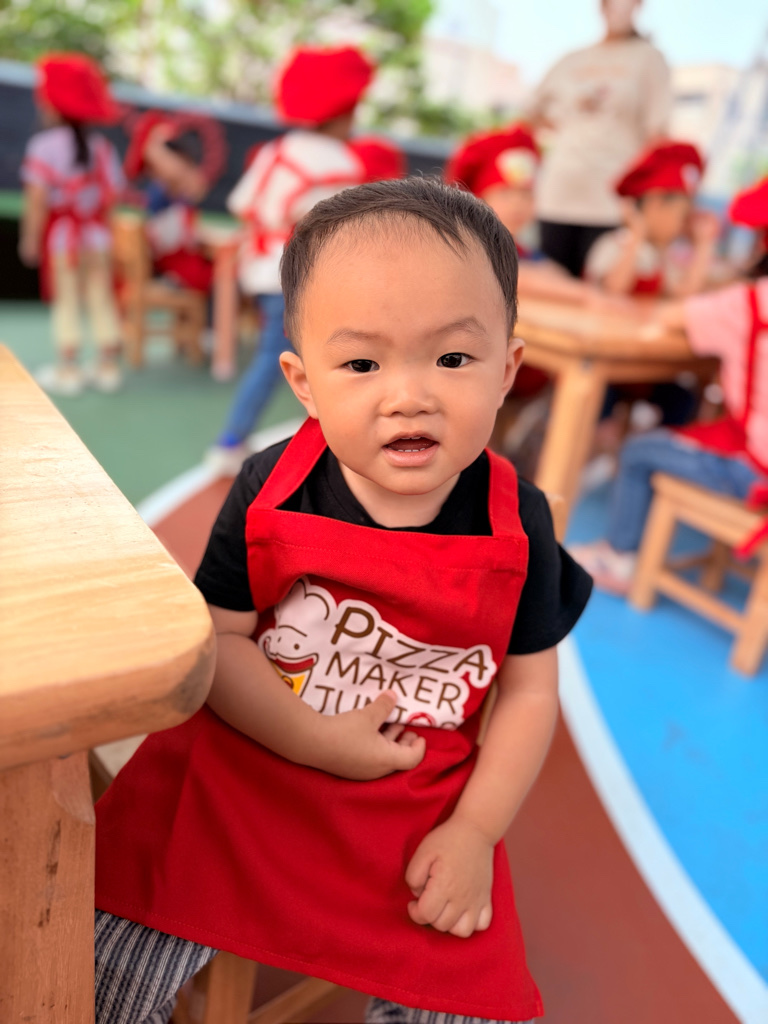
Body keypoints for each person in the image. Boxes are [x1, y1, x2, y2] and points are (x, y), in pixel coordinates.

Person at [93, 177, 593, 1024]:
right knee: (112, 941)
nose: (409, 395)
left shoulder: (521, 521)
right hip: (254, 758)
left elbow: (530, 691)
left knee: (465, 991)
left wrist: (475, 831)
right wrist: (314, 738)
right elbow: (218, 639)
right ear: (303, 382)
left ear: (508, 369)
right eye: (362, 364)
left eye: (453, 359)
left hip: (414, 791)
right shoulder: (271, 487)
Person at [571, 175, 768, 593]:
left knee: (639, 451)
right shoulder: (624, 247)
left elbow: (673, 314)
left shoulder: (749, 302)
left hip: (756, 470)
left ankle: (618, 557)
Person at [205, 44, 374, 476]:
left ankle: (246, 441)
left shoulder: (276, 149)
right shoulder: (340, 160)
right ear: (344, 111)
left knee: (291, 359)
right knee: (306, 361)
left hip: (262, 269)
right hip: (303, 274)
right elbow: (344, 231)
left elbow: (240, 202)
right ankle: (231, 441)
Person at [528, 0, 670, 277]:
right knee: (551, 283)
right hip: (558, 192)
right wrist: (567, 129)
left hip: (611, 202)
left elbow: (657, 136)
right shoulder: (571, 59)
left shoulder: (649, 59)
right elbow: (532, 112)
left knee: (598, 288)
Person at [19, 52, 125, 395]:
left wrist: (30, 239)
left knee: (66, 300)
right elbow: (113, 197)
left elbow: (36, 201)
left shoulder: (43, 146)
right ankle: (107, 367)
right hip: (98, 238)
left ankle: (69, 369)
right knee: (101, 297)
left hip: (64, 239)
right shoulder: (102, 147)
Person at [584, 140, 719, 298]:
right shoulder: (614, 243)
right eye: (681, 216)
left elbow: (683, 293)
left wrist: (704, 244)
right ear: (655, 204)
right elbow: (613, 290)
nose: (682, 226)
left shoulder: (659, 255)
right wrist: (636, 237)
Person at [122, 110, 227, 295]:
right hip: (172, 266)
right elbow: (176, 172)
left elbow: (193, 185)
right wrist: (155, 141)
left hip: (183, 260)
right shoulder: (160, 188)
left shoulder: (175, 188)